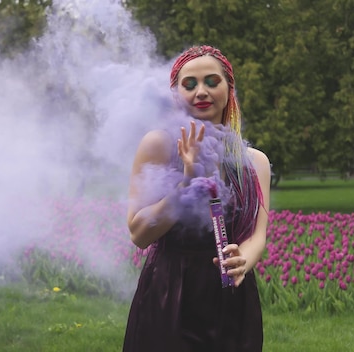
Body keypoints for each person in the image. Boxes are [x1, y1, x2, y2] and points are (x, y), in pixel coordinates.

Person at [123, 45, 271, 351]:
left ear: (229, 89)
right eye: (189, 84)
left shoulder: (254, 162)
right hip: (170, 292)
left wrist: (244, 261)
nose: (200, 91)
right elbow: (138, 233)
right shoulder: (159, 146)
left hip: (231, 296)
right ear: (175, 94)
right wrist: (186, 185)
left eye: (211, 81)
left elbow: (258, 235)